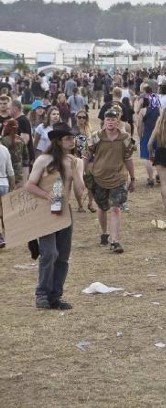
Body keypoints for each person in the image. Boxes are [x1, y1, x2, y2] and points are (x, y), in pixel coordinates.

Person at [26, 124, 85, 309]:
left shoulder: (75, 161)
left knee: (63, 256)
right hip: (45, 212)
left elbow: (79, 190)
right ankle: (42, 293)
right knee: (49, 253)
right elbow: (29, 185)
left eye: (73, 138)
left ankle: (55, 296)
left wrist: (76, 171)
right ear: (59, 141)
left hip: (64, 211)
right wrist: (46, 195)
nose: (72, 141)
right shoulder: (44, 160)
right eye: (68, 138)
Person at [85, 107, 136, 253]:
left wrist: (132, 178)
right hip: (99, 177)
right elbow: (86, 156)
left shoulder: (125, 138)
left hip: (118, 178)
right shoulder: (96, 136)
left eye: (113, 119)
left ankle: (115, 241)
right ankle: (104, 233)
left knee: (115, 209)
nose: (110, 122)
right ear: (104, 121)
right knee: (102, 207)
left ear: (118, 121)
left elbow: (128, 158)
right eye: (108, 119)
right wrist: (85, 174)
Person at [1, 119, 25, 188]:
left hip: (6, 174)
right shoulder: (21, 139)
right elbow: (26, 157)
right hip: (19, 173)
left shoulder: (3, 141)